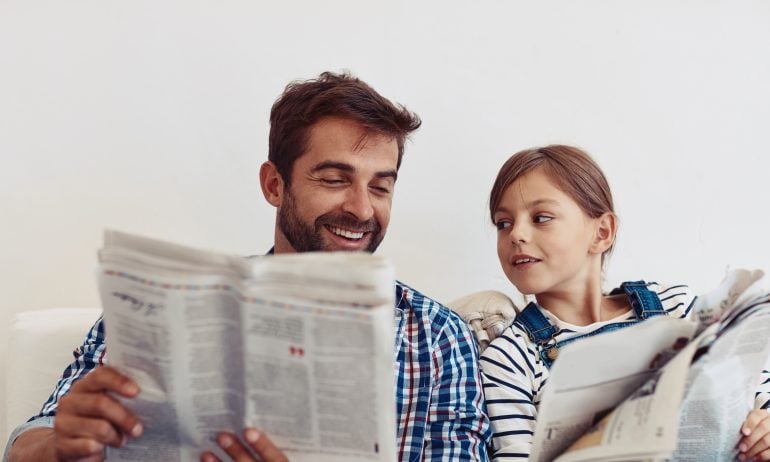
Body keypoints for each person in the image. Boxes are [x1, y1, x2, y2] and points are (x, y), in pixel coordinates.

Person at [4, 71, 491, 462]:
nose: (362, 210)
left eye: (381, 186)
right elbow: (29, 441)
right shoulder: (167, 301)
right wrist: (61, 445)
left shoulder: (438, 336)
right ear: (274, 185)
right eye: (335, 178)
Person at [479, 144, 770, 461]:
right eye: (502, 223)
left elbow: (754, 388)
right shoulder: (508, 360)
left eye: (541, 217)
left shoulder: (676, 306)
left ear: (602, 232)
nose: (516, 234)